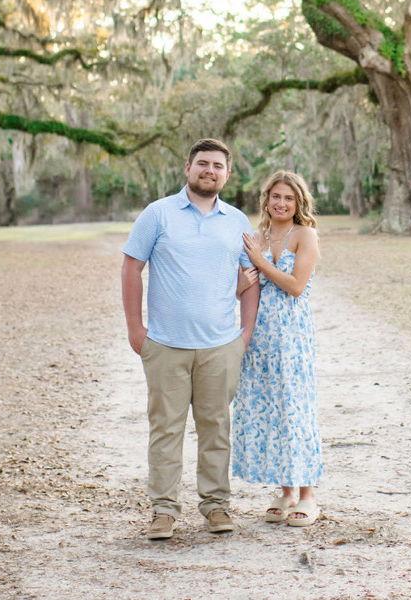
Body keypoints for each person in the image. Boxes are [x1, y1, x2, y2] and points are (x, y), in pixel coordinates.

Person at [120, 138, 259, 541]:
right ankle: (163, 511)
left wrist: (245, 334)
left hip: (221, 346)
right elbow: (131, 269)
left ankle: (216, 506)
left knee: (216, 427)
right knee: (166, 429)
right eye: (203, 163)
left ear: (227, 175)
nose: (209, 171)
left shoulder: (237, 221)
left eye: (218, 166)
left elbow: (251, 279)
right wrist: (136, 329)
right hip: (165, 345)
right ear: (188, 168)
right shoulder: (158, 214)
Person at [231, 170, 323, 527]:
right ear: (266, 200)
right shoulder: (257, 238)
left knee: (295, 408)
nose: (281, 203)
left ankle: (308, 495)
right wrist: (242, 282)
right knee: (271, 409)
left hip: (291, 336)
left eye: (288, 198)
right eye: (276, 197)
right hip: (259, 335)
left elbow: (296, 286)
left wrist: (260, 262)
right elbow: (243, 288)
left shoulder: (305, 235)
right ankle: (285, 491)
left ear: (298, 203)